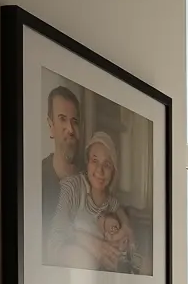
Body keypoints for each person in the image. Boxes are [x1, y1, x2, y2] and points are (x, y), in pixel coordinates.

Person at [46, 131, 135, 272]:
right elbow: (53, 242)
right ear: (87, 163)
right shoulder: (72, 187)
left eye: (107, 164)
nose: (100, 170)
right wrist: (89, 242)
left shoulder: (112, 203)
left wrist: (124, 231)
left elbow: (126, 228)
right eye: (95, 161)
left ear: (113, 171)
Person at [41, 86, 80, 238]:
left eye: (75, 121)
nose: (70, 129)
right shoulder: (36, 179)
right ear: (51, 126)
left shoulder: (91, 177)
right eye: (62, 119)